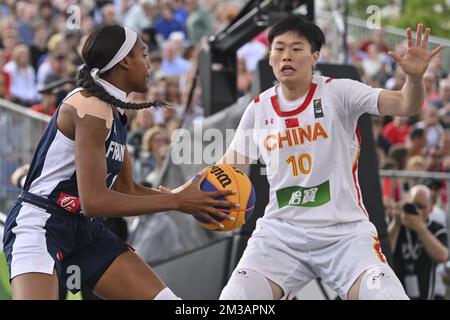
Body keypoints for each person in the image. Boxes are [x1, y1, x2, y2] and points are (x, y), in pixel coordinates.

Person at [2, 24, 237, 300]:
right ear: (125, 60)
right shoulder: (90, 108)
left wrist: (183, 197)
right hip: (42, 224)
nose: (150, 63)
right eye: (144, 54)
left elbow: (127, 189)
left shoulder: (114, 112)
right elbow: (95, 201)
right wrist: (176, 201)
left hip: (84, 230)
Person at [218, 15, 443, 300]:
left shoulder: (338, 92)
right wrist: (185, 195)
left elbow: (405, 104)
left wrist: (413, 77)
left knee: (387, 296)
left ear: (314, 57)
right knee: (234, 300)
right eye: (279, 48)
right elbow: (226, 169)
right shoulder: (259, 108)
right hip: (280, 234)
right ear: (270, 58)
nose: (286, 55)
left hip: (344, 233)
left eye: (296, 49)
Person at [388, 185, 448, 299]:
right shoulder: (397, 224)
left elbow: (442, 256)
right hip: (397, 292)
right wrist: (396, 223)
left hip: (426, 293)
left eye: (422, 206)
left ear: (431, 208)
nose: (418, 210)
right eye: (414, 205)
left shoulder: (437, 229)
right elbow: (384, 252)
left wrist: (420, 228)